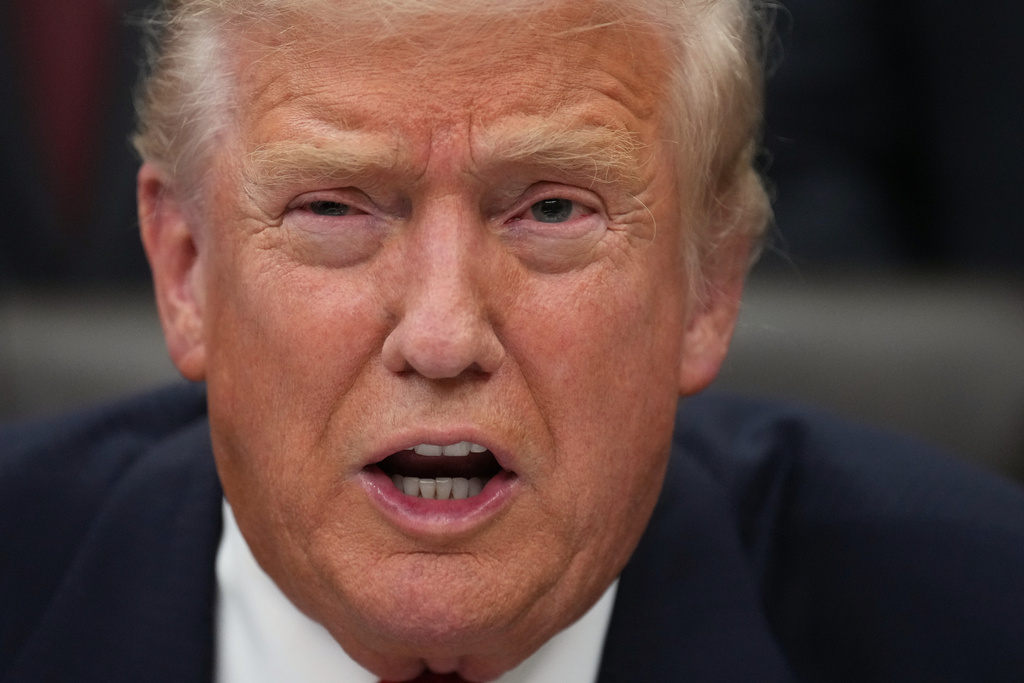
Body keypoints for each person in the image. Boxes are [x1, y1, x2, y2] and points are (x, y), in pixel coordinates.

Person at [1, 1, 1023, 681]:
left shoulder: (981, 618)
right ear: (186, 271)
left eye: (552, 210)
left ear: (708, 283)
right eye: (334, 206)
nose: (443, 336)